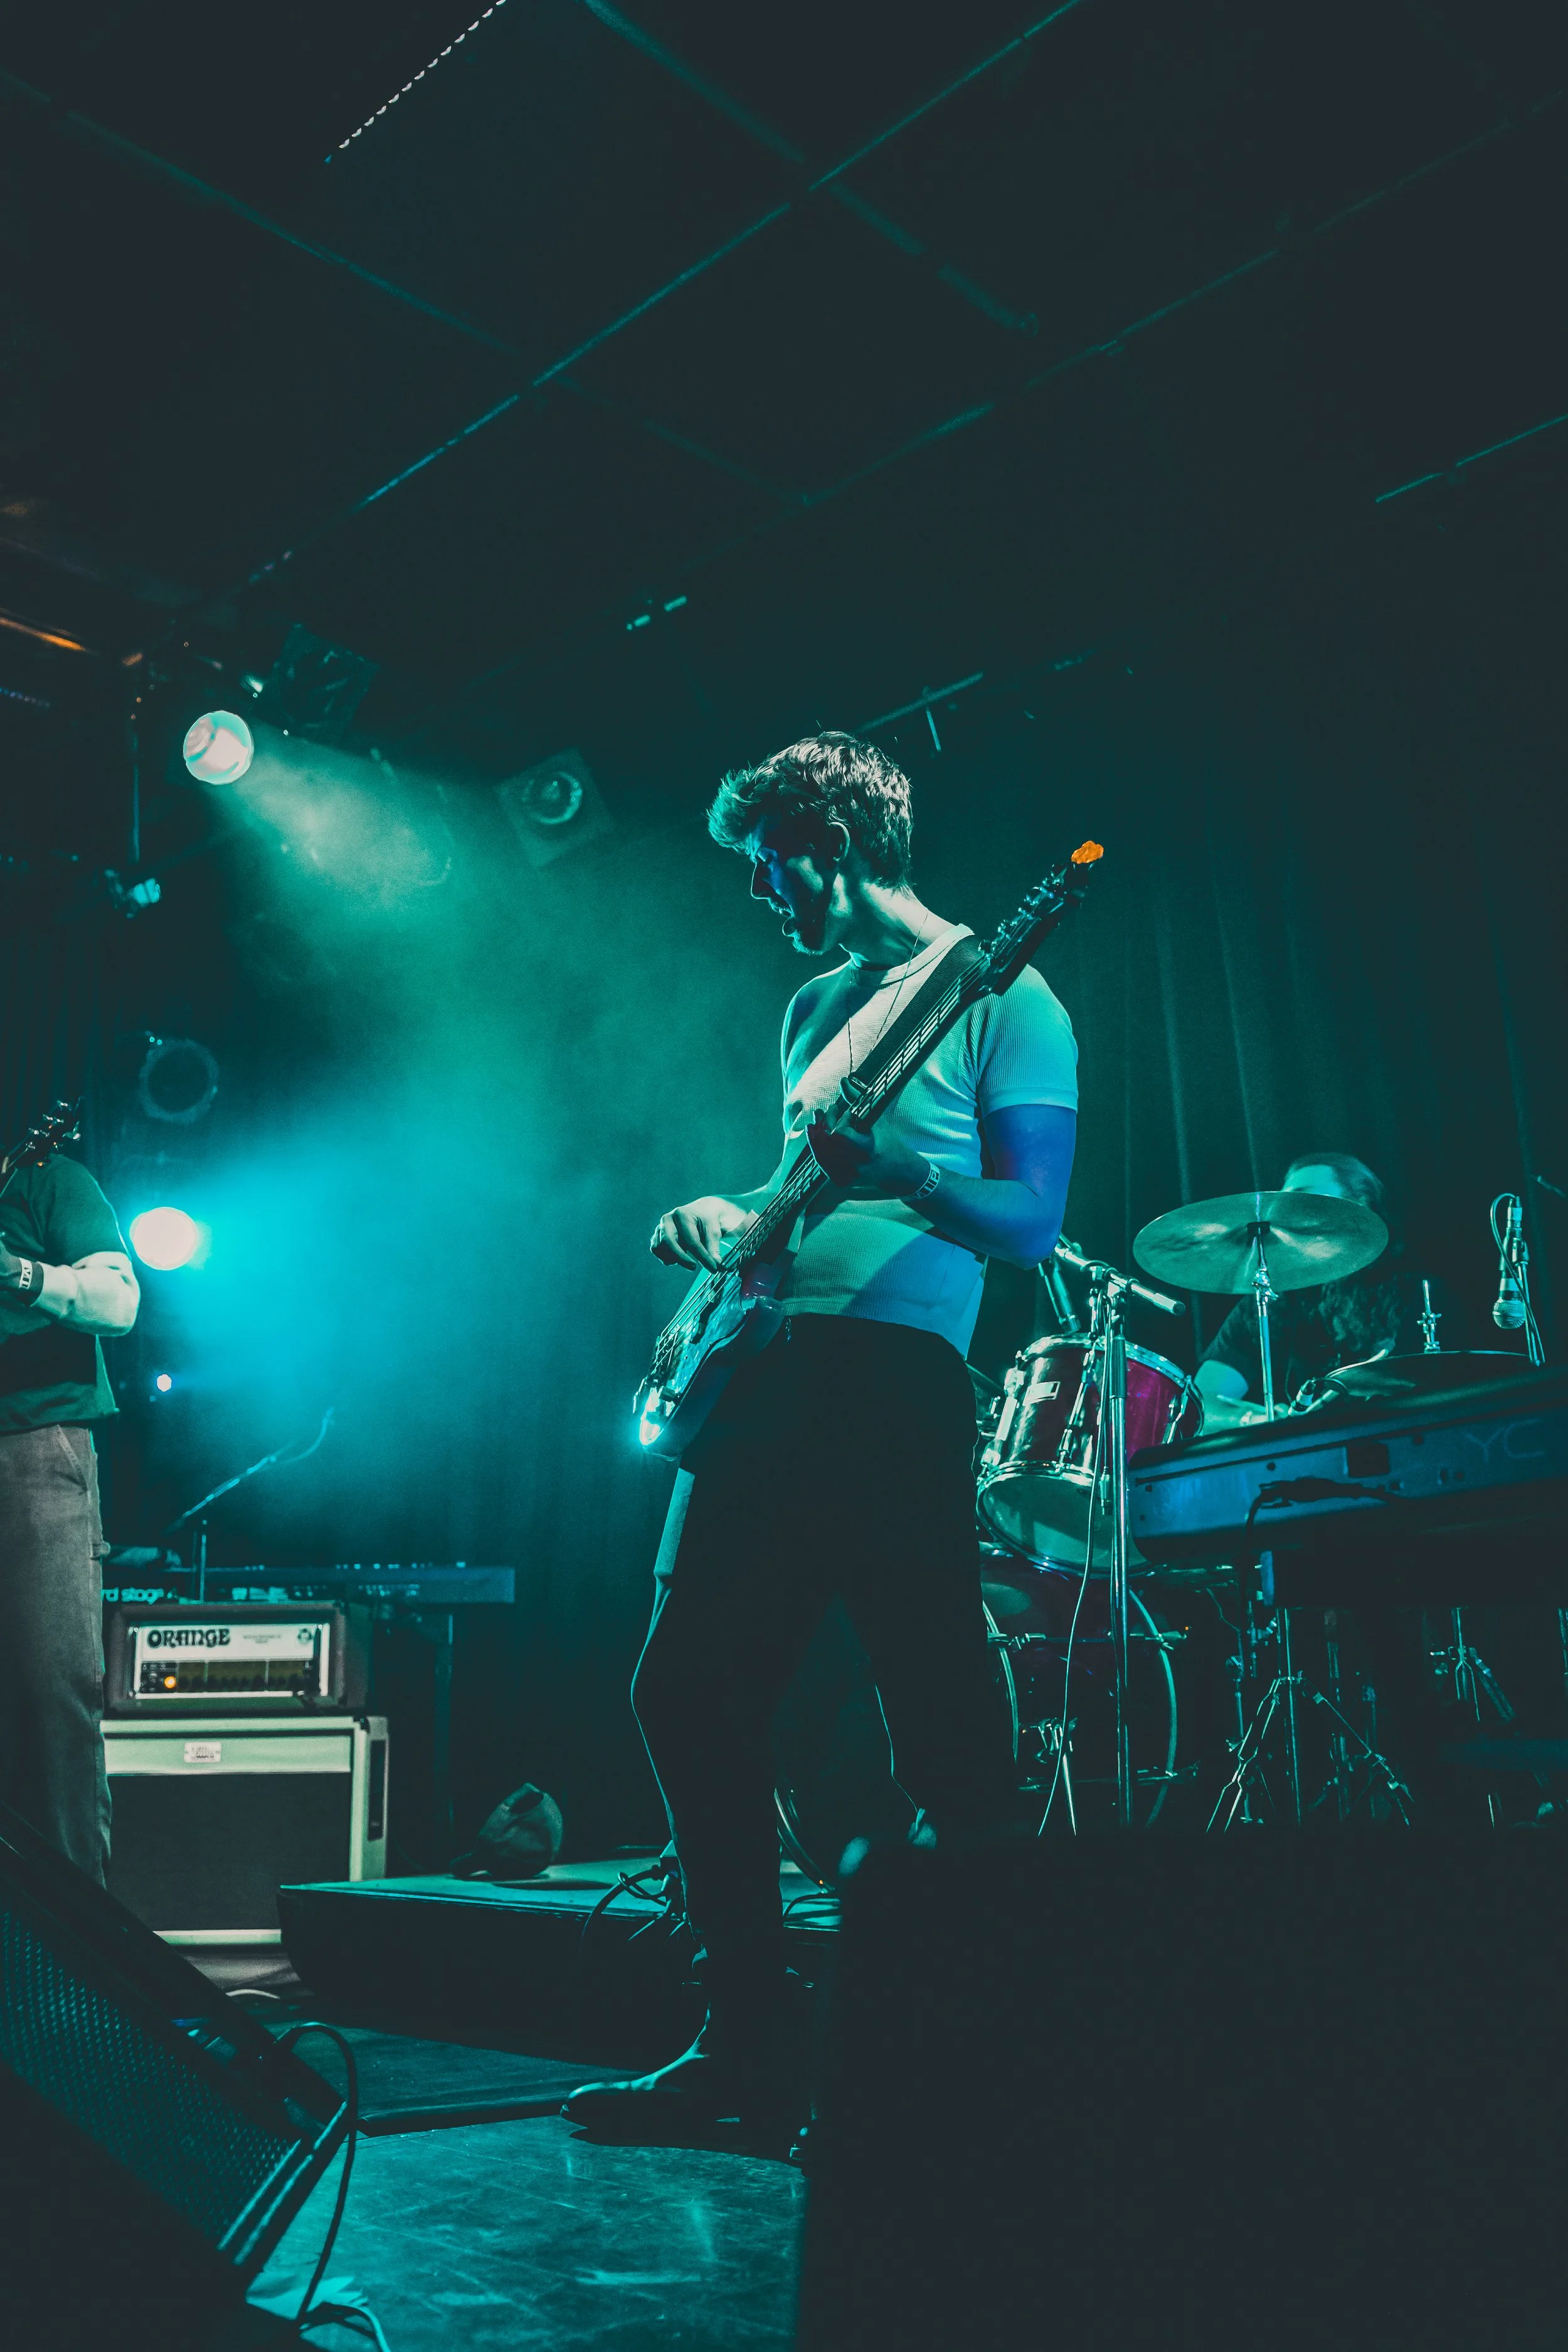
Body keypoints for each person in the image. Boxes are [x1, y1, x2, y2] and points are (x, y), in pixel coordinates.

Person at [568, 732, 1078, 2141]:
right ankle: (745, 2044)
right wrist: (724, 1223)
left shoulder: (1004, 993)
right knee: (684, 1693)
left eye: (765, 857)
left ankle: (1011, 2053)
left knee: (939, 1720)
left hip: (890, 1383)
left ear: (832, 841)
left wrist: (907, 1169)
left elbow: (1030, 1223)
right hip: (762, 1374)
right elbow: (792, 1192)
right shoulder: (808, 1012)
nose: (756, 887)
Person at [0, 1143, 139, 1880]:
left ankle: (80, 1956)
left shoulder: (46, 1178)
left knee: (50, 1701)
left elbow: (119, 1302)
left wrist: (19, 1272)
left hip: (29, 1453)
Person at [1194, 1153, 1439, 1424]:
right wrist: (1253, 1419)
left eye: (1304, 1197)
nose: (1286, 1211)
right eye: (1284, 1202)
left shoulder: (1414, 1288)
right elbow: (1202, 1404)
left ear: (1360, 1204)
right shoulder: (1269, 1300)